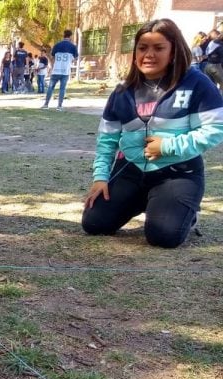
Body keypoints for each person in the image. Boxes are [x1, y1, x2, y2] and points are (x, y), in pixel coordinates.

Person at [82, 18, 223, 249]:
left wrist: (167, 146)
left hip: (177, 173)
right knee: (94, 224)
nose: (149, 54)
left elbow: (216, 129)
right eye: (143, 47)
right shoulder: (122, 91)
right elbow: (107, 139)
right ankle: (149, 202)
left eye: (159, 48)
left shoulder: (196, 83)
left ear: (174, 51)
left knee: (163, 237)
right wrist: (100, 178)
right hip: (131, 171)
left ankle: (184, 213)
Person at [42, 29, 79, 110]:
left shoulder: (57, 45)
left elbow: (53, 56)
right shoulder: (73, 46)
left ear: (64, 35)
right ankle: (59, 106)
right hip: (65, 70)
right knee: (62, 88)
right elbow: (76, 58)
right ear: (70, 36)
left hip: (56, 69)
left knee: (51, 87)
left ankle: (46, 104)